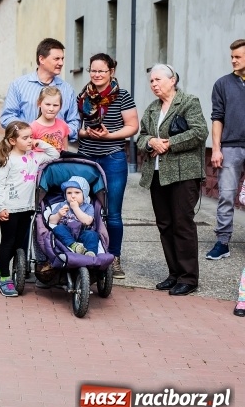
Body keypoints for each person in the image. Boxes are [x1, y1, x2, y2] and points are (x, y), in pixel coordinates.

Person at [136, 64, 208, 296]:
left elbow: (199, 132)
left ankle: (189, 277)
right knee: (165, 224)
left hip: (183, 174)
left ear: (172, 80)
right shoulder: (152, 108)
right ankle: (174, 273)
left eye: (157, 80)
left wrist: (167, 143)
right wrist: (149, 142)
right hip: (157, 173)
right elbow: (141, 136)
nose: (154, 84)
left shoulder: (188, 102)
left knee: (182, 224)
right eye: (151, 81)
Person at [76, 53, 138, 279]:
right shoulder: (83, 97)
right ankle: (88, 254)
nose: (97, 74)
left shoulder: (122, 96)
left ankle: (114, 257)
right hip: (85, 158)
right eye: (93, 70)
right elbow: (75, 127)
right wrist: (85, 132)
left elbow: (132, 126)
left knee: (113, 213)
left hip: (113, 158)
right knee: (84, 208)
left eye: (102, 70)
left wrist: (109, 135)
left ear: (112, 71)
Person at [0, 122, 59, 297]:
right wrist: (1, 207)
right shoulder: (6, 160)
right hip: (10, 208)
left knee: (20, 244)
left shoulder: (35, 157)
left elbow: (55, 154)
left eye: (31, 136)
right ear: (13, 141)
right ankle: (4, 277)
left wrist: (39, 143)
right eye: (25, 138)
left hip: (28, 208)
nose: (30, 140)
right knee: (8, 242)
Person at [207, 39, 245, 261]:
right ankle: (222, 243)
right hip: (230, 147)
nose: (233, 60)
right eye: (231, 56)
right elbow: (217, 118)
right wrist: (216, 149)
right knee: (227, 195)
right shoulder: (222, 84)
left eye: (238, 57)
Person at [0, 38, 80, 140]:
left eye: (62, 59)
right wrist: (29, 132)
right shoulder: (18, 85)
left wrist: (58, 133)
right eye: (56, 59)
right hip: (25, 151)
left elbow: (74, 122)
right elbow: (7, 117)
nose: (61, 63)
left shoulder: (67, 89)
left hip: (56, 152)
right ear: (41, 59)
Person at [45, 176, 99, 256]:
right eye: (69, 193)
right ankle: (73, 246)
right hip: (67, 232)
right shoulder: (62, 205)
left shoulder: (88, 206)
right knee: (58, 229)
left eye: (77, 192)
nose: (73, 196)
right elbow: (51, 221)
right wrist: (58, 215)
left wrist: (75, 208)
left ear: (84, 194)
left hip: (82, 232)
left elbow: (88, 221)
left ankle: (90, 252)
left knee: (93, 235)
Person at [30, 86, 70, 152]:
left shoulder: (63, 125)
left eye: (55, 105)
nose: (51, 109)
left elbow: (65, 150)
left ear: (60, 106)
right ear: (39, 103)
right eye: (48, 104)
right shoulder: (33, 127)